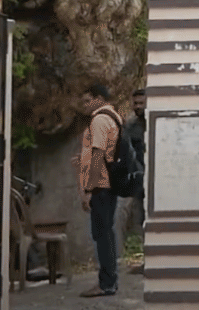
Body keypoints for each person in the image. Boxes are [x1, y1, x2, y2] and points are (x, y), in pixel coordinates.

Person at [76, 84, 123, 298]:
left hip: (101, 186)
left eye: (88, 100)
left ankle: (106, 283)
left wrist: (88, 189)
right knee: (105, 233)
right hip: (106, 185)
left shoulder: (99, 119)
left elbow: (98, 155)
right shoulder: (112, 116)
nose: (84, 105)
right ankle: (109, 281)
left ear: (99, 98)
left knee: (102, 234)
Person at [124, 89, 147, 274]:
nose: (138, 107)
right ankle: (147, 260)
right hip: (140, 180)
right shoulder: (131, 127)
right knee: (141, 220)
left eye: (141, 103)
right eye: (135, 103)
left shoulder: (156, 123)